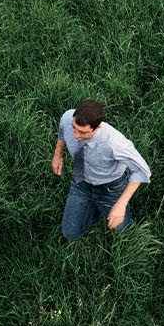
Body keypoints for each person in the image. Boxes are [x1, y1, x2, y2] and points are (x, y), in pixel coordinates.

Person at [51, 99, 152, 239]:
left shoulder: (115, 143)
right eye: (74, 128)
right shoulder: (68, 118)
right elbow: (63, 132)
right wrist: (57, 155)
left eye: (83, 132)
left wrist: (121, 204)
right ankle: (93, 207)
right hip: (81, 181)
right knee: (70, 234)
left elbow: (141, 170)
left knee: (124, 233)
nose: (76, 136)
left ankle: (102, 206)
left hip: (110, 188)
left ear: (97, 127)